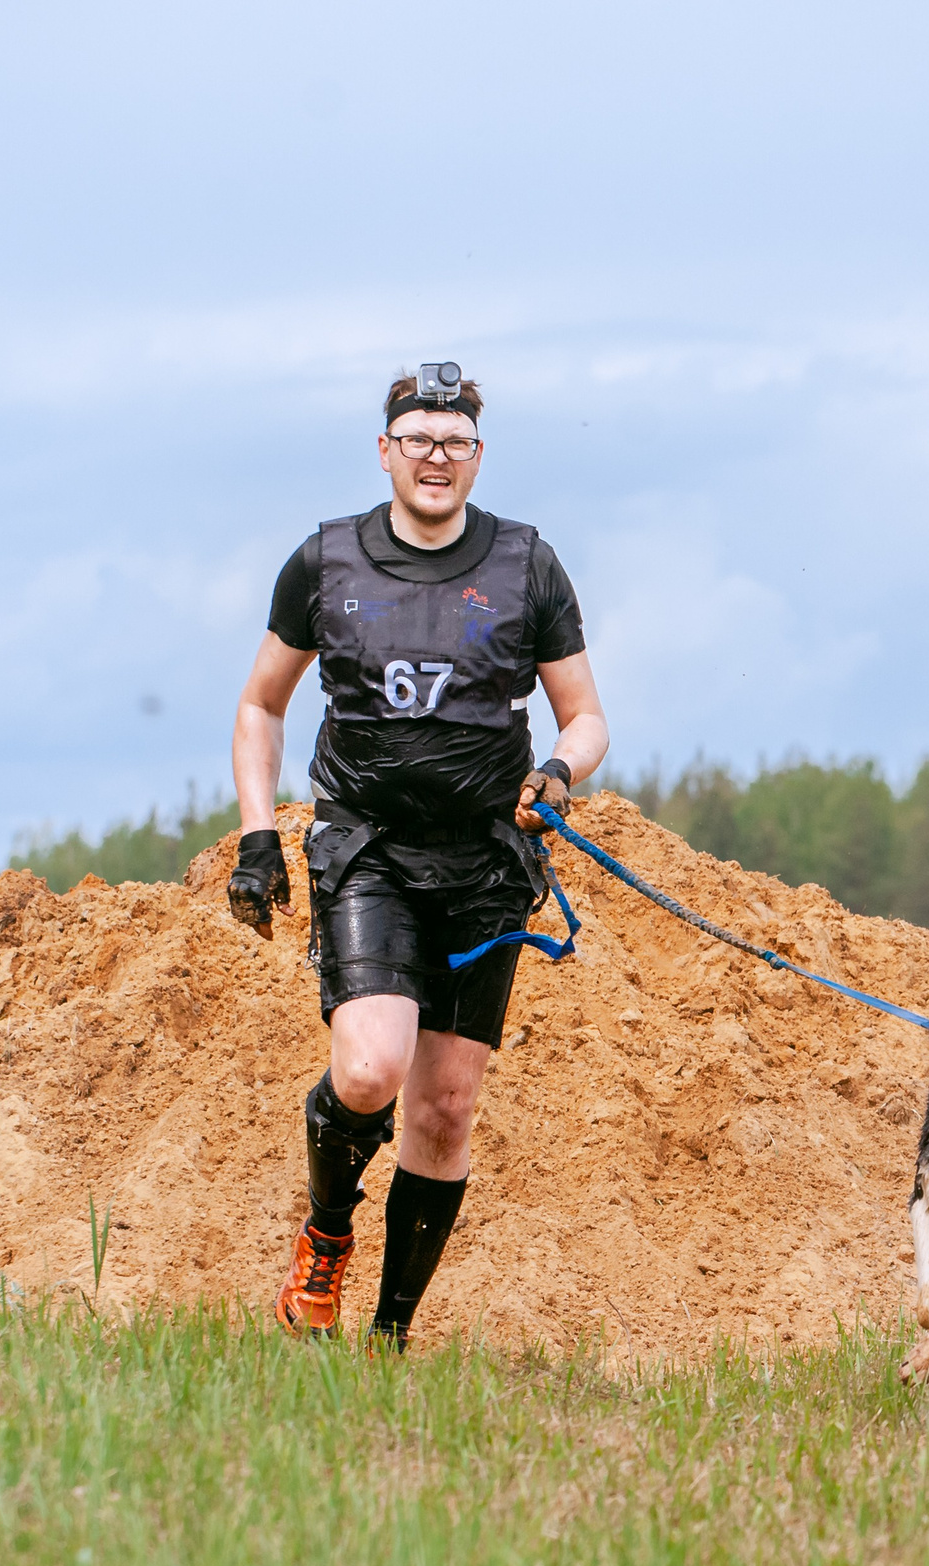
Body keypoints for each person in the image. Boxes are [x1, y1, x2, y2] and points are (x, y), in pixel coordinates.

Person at [226, 364, 608, 1348]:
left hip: (487, 864)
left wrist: (558, 772)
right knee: (369, 1069)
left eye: (456, 442)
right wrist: (260, 834)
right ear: (386, 450)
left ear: (477, 456)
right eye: (419, 440)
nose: (437, 458)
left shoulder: (527, 565)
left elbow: (586, 718)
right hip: (370, 852)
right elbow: (261, 703)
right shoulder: (325, 562)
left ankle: (388, 1341)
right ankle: (326, 1237)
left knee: (442, 1109)